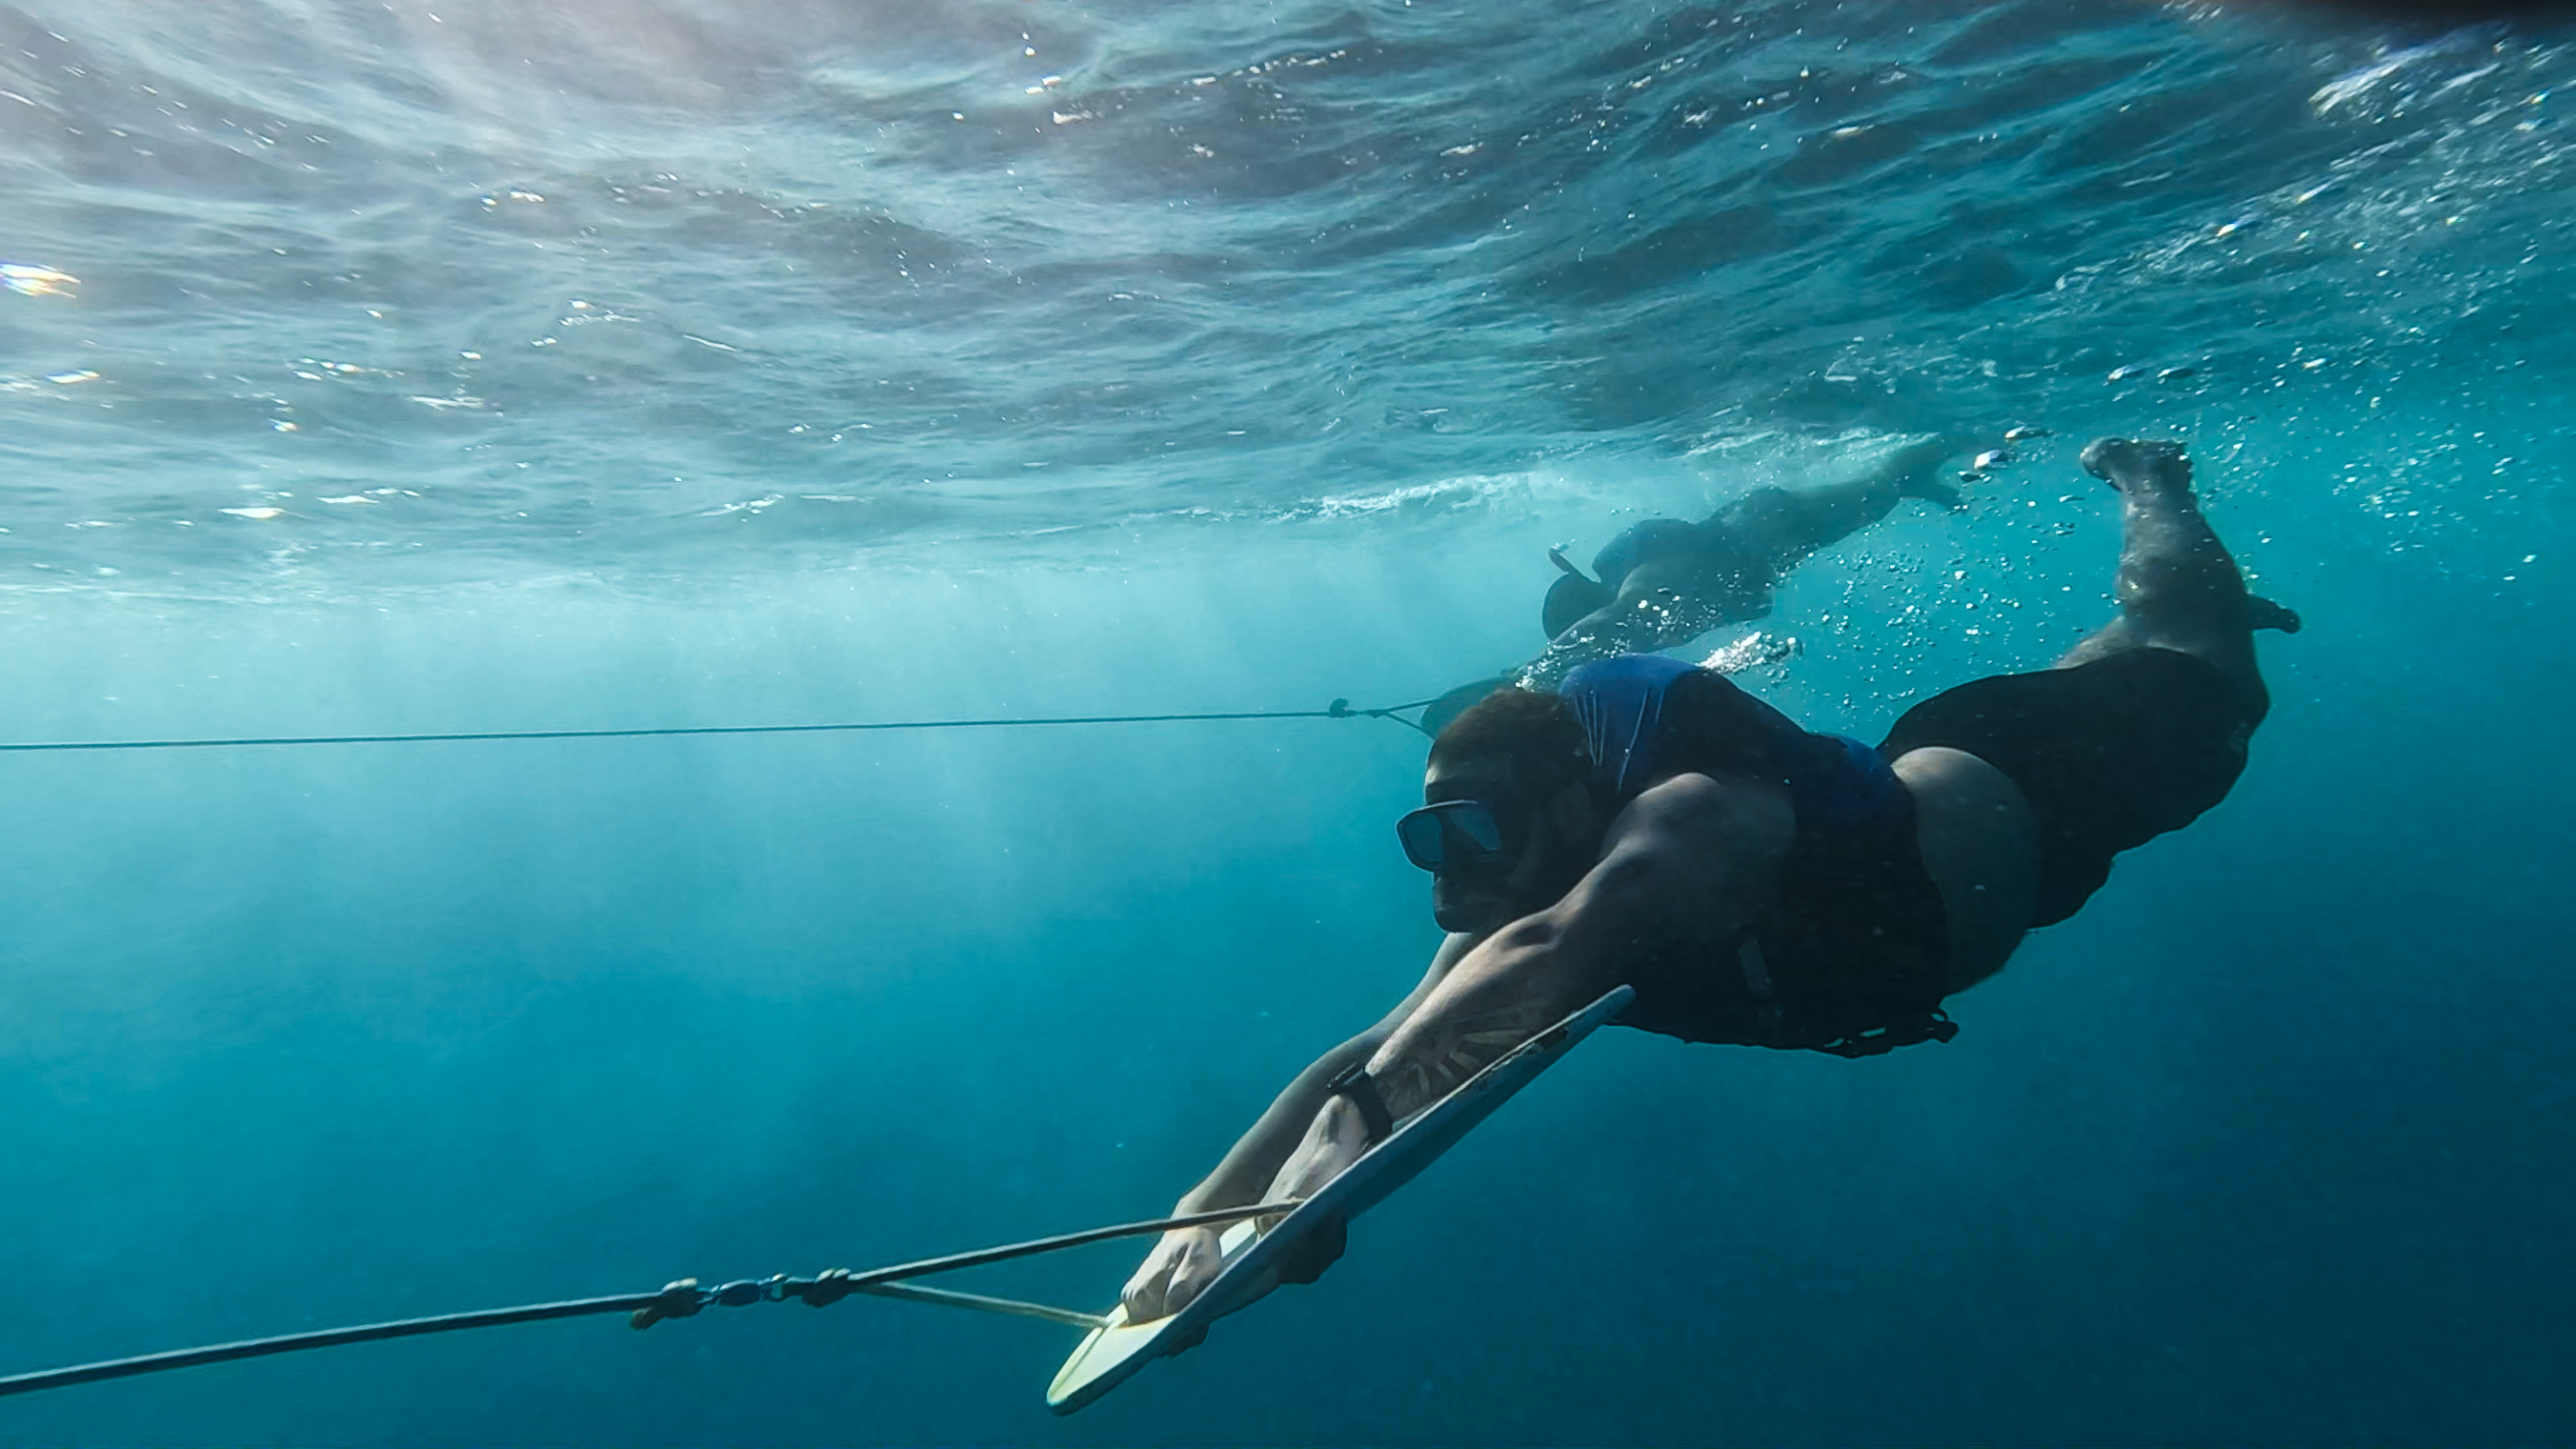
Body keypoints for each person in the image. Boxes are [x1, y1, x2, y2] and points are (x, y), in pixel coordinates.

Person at [1120, 436, 2297, 1324]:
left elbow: (1514, 982)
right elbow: (1376, 1046)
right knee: (2116, 661)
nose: (1462, 874)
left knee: (2200, 662)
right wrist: (1210, 1208)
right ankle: (2120, 646)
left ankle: (2154, 486)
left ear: (1577, 799)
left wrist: (1338, 1161)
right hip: (1967, 854)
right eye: (1432, 839)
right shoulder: (1553, 879)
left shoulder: (1682, 823)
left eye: (1480, 828)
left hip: (2031, 779)